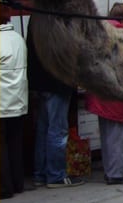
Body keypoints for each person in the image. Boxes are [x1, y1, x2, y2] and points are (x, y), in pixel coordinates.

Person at [27, 20, 85, 189]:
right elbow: (66, 52)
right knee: (57, 131)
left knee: (43, 129)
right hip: (57, 82)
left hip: (39, 82)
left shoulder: (36, 19)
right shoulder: (58, 20)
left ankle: (40, 173)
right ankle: (56, 175)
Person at [85, 3, 123, 185]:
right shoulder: (119, 36)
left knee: (108, 135)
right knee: (118, 135)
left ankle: (111, 170)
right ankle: (117, 173)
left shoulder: (102, 30)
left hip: (100, 92)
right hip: (115, 94)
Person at [0, 5, 29, 199]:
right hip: (18, 100)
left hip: (0, 103)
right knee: (15, 144)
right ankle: (18, 182)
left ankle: (3, 187)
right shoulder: (18, 38)